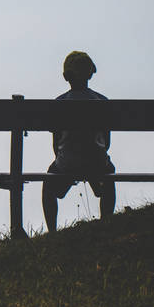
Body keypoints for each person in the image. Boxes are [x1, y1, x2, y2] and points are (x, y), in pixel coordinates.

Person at [43, 51, 116, 232]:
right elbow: (106, 143)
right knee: (109, 173)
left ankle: (52, 231)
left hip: (67, 162)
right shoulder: (101, 102)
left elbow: (56, 143)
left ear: (66, 77)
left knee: (49, 184)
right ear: (90, 73)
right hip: (97, 162)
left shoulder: (59, 104)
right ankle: (106, 223)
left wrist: (65, 159)